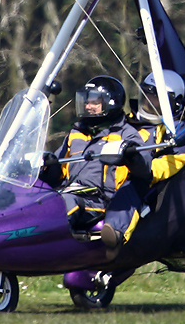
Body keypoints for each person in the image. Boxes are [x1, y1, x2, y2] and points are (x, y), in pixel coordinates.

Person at [42, 75, 151, 256]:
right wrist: (46, 165)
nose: (87, 105)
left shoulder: (127, 134)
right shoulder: (77, 133)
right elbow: (60, 167)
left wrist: (130, 155)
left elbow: (144, 168)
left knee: (63, 203)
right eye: (85, 100)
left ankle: (44, 248)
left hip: (97, 200)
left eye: (94, 101)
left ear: (111, 102)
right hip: (67, 190)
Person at [132, 69, 185, 183]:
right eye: (146, 95)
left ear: (175, 103)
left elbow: (170, 163)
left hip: (136, 183)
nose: (149, 102)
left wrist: (136, 166)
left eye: (156, 98)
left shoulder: (178, 133)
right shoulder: (128, 120)